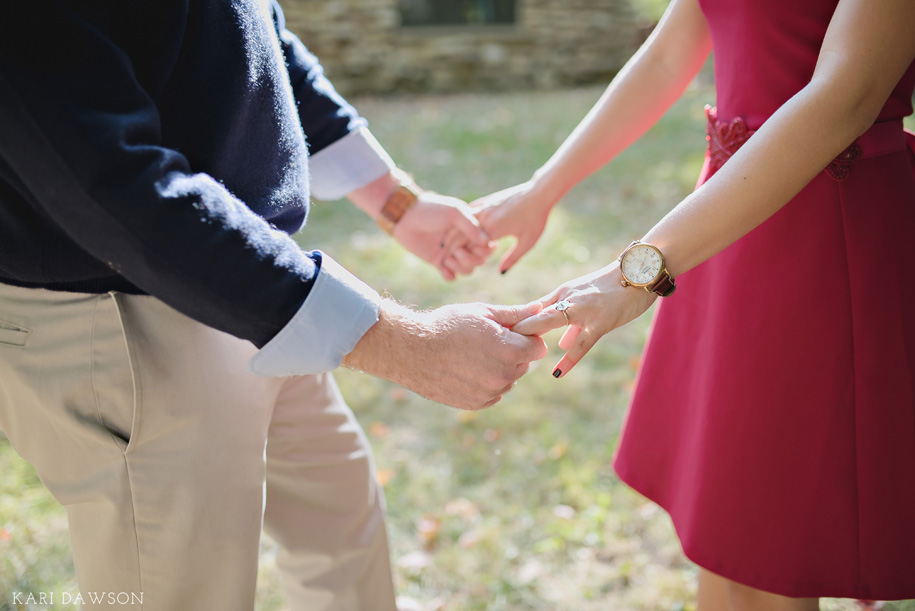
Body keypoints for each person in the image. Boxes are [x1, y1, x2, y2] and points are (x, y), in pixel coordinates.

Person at [0, 1, 547, 610]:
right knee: (181, 593)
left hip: (258, 286)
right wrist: (399, 342)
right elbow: (110, 183)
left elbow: (250, 31)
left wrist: (394, 200)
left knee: (340, 525)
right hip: (123, 313)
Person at [471, 0, 915, 608]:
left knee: (766, 548)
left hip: (821, 240)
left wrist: (636, 274)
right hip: (720, 232)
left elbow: (844, 96)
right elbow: (665, 55)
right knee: (727, 534)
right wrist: (544, 188)